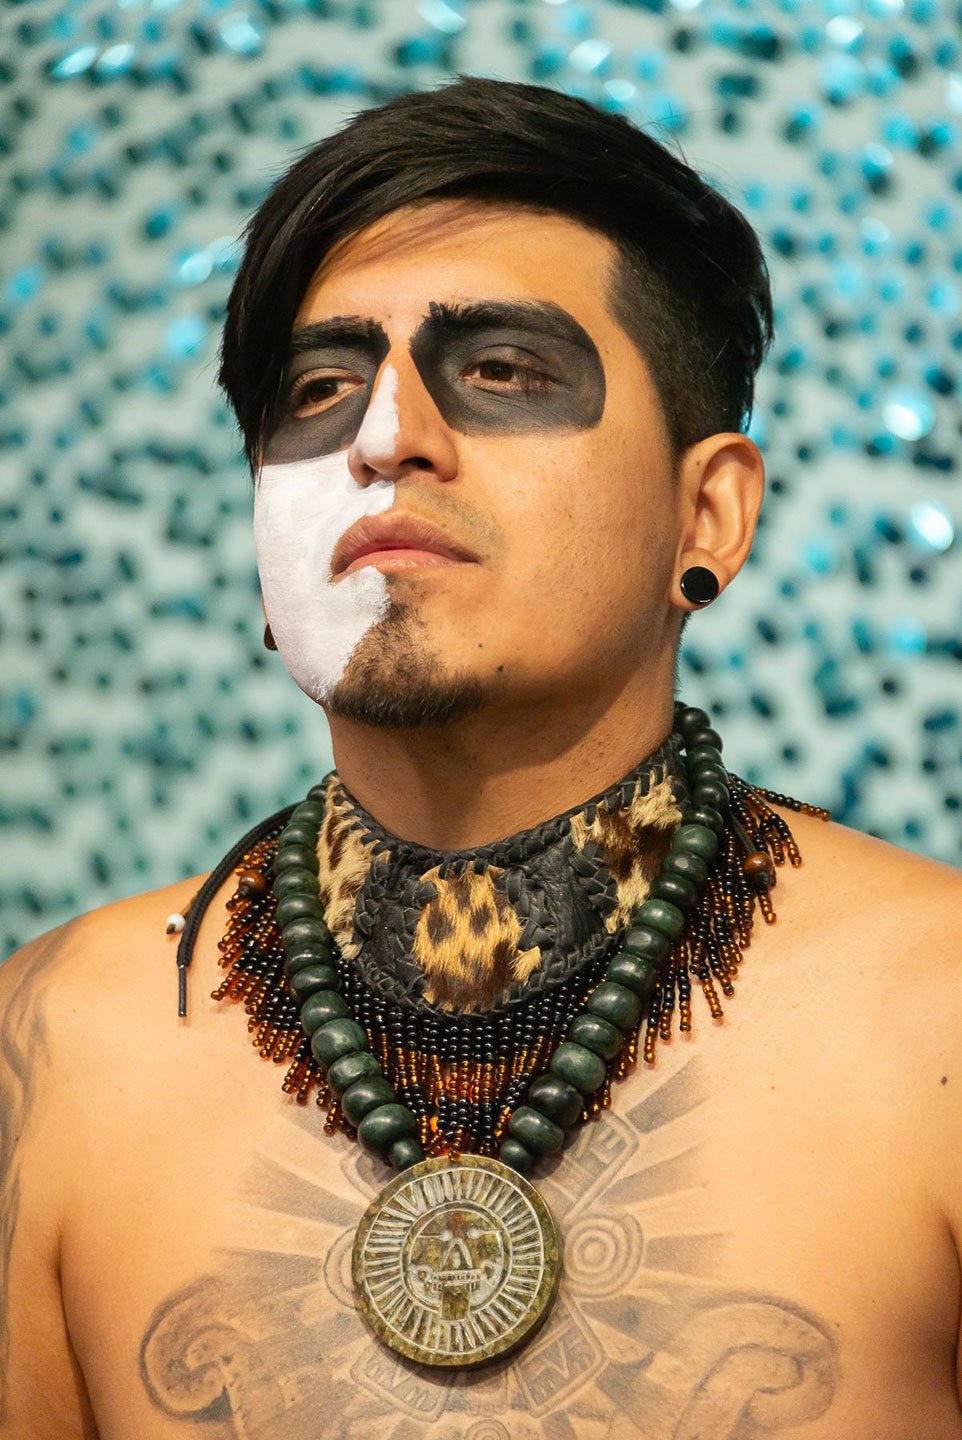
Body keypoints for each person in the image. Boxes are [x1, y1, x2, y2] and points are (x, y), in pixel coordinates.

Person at [1, 75, 960, 1440]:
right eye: (319, 389)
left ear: (707, 514)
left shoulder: (937, 1015)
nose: (384, 438)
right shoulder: (56, 1050)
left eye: (502, 370)